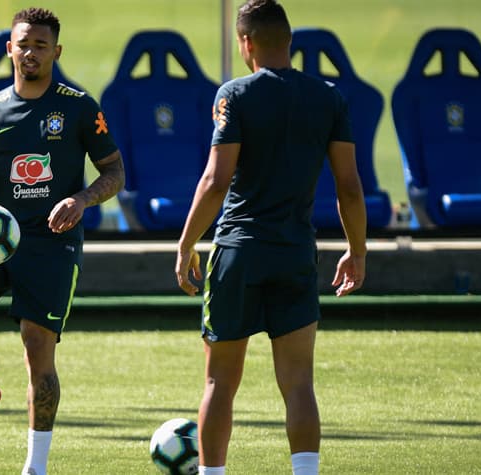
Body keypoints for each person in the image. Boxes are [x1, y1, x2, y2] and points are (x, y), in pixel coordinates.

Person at [0, 7, 124, 475]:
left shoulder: (79, 106)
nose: (30, 52)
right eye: (23, 44)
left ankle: (35, 467)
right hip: (0, 242)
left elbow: (114, 171)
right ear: (9, 49)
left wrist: (81, 199)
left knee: (38, 355)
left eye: (41, 45)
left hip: (54, 246)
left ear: (56, 51)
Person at [174, 1, 367, 474]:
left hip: (239, 251)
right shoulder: (329, 97)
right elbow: (349, 186)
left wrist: (185, 246)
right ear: (290, 41)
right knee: (299, 382)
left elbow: (215, 181)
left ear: (246, 43)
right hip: (295, 252)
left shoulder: (235, 95)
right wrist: (357, 252)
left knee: (220, 381)